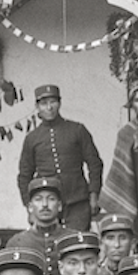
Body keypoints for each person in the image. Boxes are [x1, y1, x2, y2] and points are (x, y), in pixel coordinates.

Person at [14, 85, 105, 232]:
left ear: (59, 103)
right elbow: (24, 176)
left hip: (78, 202)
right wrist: (29, 207)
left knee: (76, 244)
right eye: (44, 103)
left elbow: (95, 165)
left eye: (53, 102)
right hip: (47, 205)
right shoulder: (32, 138)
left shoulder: (77, 130)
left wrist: (94, 195)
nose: (49, 107)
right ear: (37, 106)